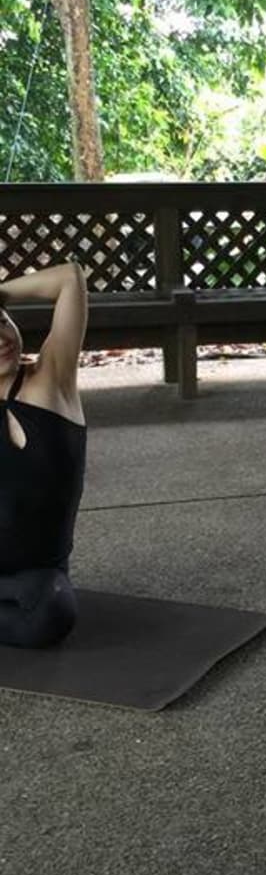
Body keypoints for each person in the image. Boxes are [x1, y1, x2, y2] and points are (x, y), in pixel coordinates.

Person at [1, 262, 89, 648]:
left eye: (1, 320)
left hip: (36, 580)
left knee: (51, 612)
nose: (1, 337)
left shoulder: (50, 380)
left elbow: (69, 278)